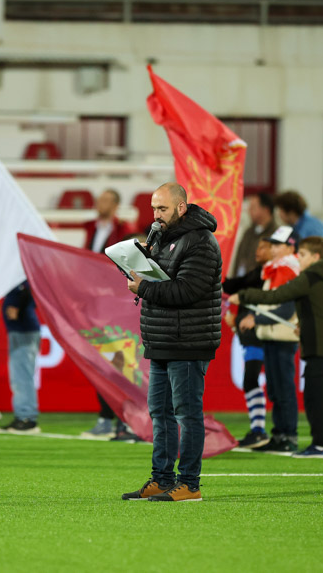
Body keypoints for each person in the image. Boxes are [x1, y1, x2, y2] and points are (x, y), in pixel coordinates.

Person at [121, 183, 222, 502]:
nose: (156, 216)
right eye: (153, 209)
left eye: (162, 209)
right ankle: (162, 478)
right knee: (160, 412)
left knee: (187, 412)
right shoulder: (162, 239)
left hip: (189, 340)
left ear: (181, 208)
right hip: (163, 337)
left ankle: (190, 484)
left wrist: (144, 288)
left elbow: (187, 291)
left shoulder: (201, 241)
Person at [232, 236, 323, 457]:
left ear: (315, 257)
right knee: (320, 397)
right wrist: (303, 324)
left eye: (301, 255)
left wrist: (244, 296)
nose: (297, 259)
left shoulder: (310, 276)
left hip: (319, 346)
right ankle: (320, 443)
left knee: (315, 398)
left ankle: (319, 445)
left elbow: (279, 296)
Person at [239, 226, 301, 452]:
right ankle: (279, 434)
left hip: (282, 336)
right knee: (276, 388)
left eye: (277, 245)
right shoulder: (276, 270)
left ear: (290, 247)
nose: (272, 249)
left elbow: (285, 310)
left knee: (283, 388)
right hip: (272, 335)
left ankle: (289, 435)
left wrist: (257, 319)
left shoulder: (290, 271)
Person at [82, 188, 134, 439]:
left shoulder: (123, 230)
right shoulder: (92, 230)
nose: (98, 203)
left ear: (115, 205)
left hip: (115, 305)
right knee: (101, 361)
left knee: (120, 361)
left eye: (104, 200)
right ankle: (105, 417)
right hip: (96, 304)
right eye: (98, 198)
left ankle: (123, 419)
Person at [222, 232, 273, 448]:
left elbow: (234, 285)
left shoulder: (267, 274)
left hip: (260, 334)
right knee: (252, 381)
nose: (257, 251)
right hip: (252, 334)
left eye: (263, 247)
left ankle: (260, 430)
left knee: (253, 380)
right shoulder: (260, 272)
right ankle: (259, 430)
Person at [0, 280, 41, 433]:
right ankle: (23, 415)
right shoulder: (16, 273)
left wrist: (17, 305)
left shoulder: (20, 274)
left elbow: (29, 289)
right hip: (19, 330)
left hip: (24, 331)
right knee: (19, 377)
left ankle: (27, 418)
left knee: (22, 376)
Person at [274, 190, 323, 270]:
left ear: (291, 212)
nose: (278, 214)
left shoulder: (311, 228)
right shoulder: (295, 227)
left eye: (280, 210)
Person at [230, 191, 277, 278]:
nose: (249, 211)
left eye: (253, 208)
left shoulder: (275, 235)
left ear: (266, 210)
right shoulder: (248, 232)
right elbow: (239, 259)